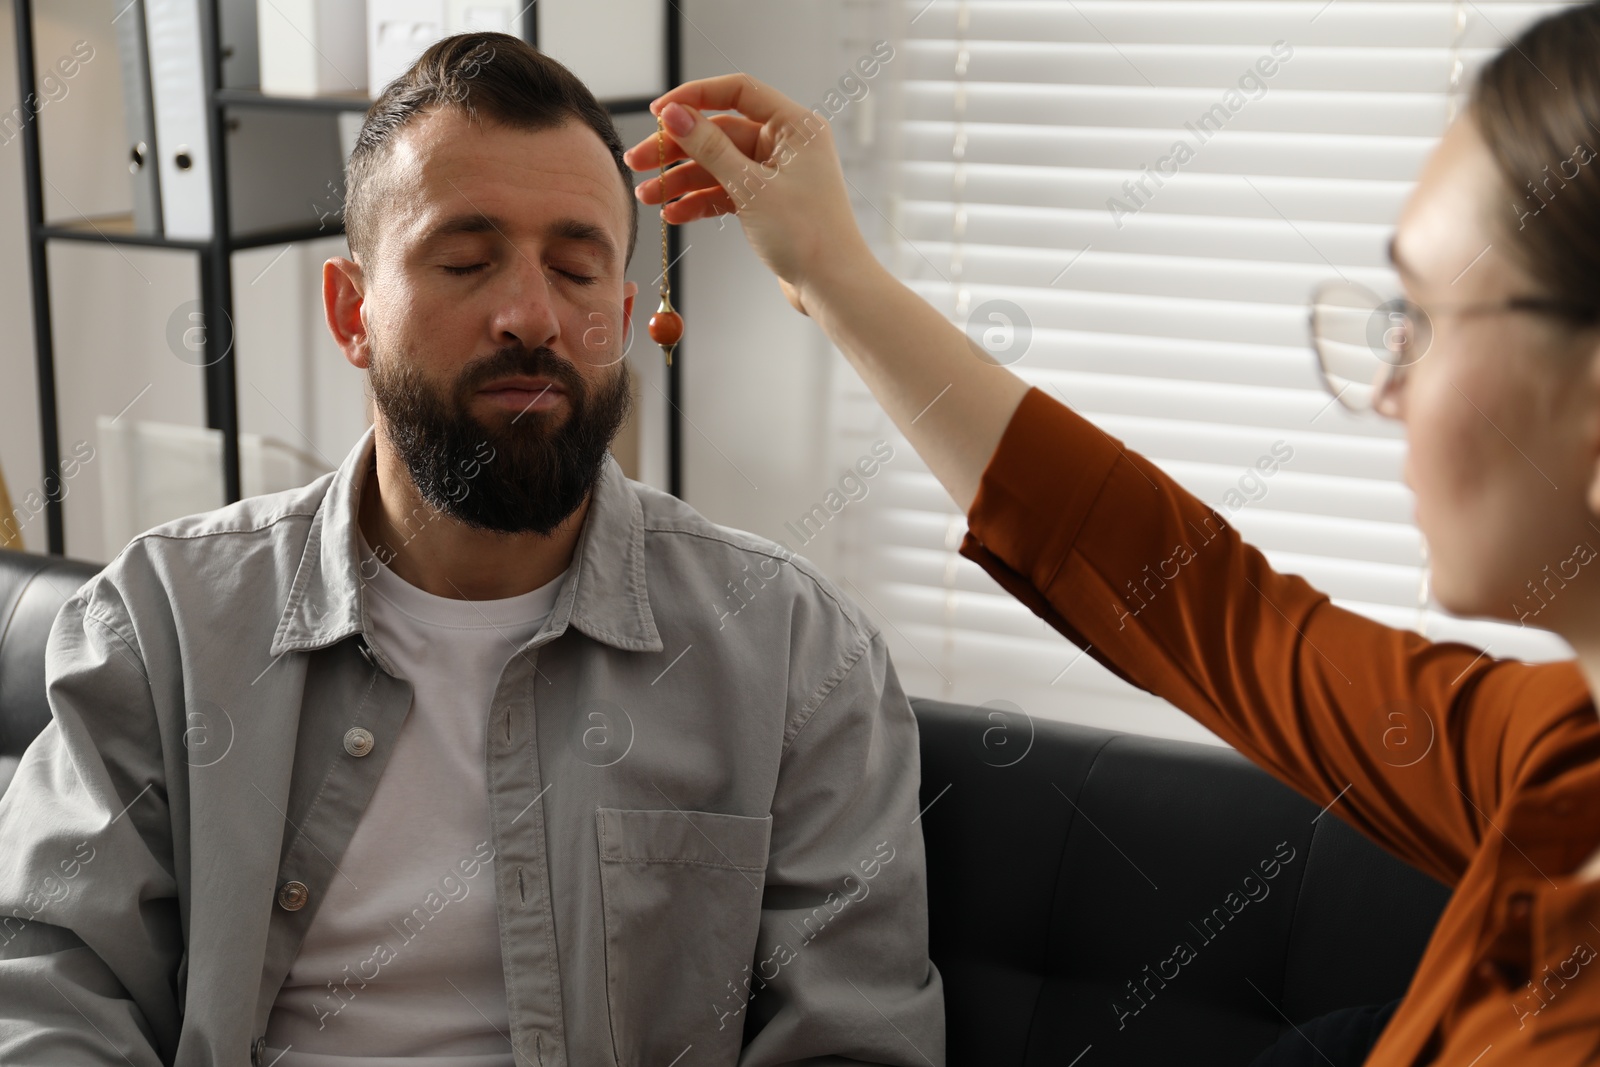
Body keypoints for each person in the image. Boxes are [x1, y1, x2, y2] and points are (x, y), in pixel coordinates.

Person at [624, 2, 1600, 1064]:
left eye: (1424, 315)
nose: (1386, 387)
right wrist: (832, 272)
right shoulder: (1558, 755)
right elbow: (1202, 602)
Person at [0, 32, 943, 1067]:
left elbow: (855, 1039)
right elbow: (42, 988)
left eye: (577, 268)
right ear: (353, 311)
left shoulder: (800, 657)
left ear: (621, 317)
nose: (531, 316)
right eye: (464, 259)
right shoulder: (162, 623)